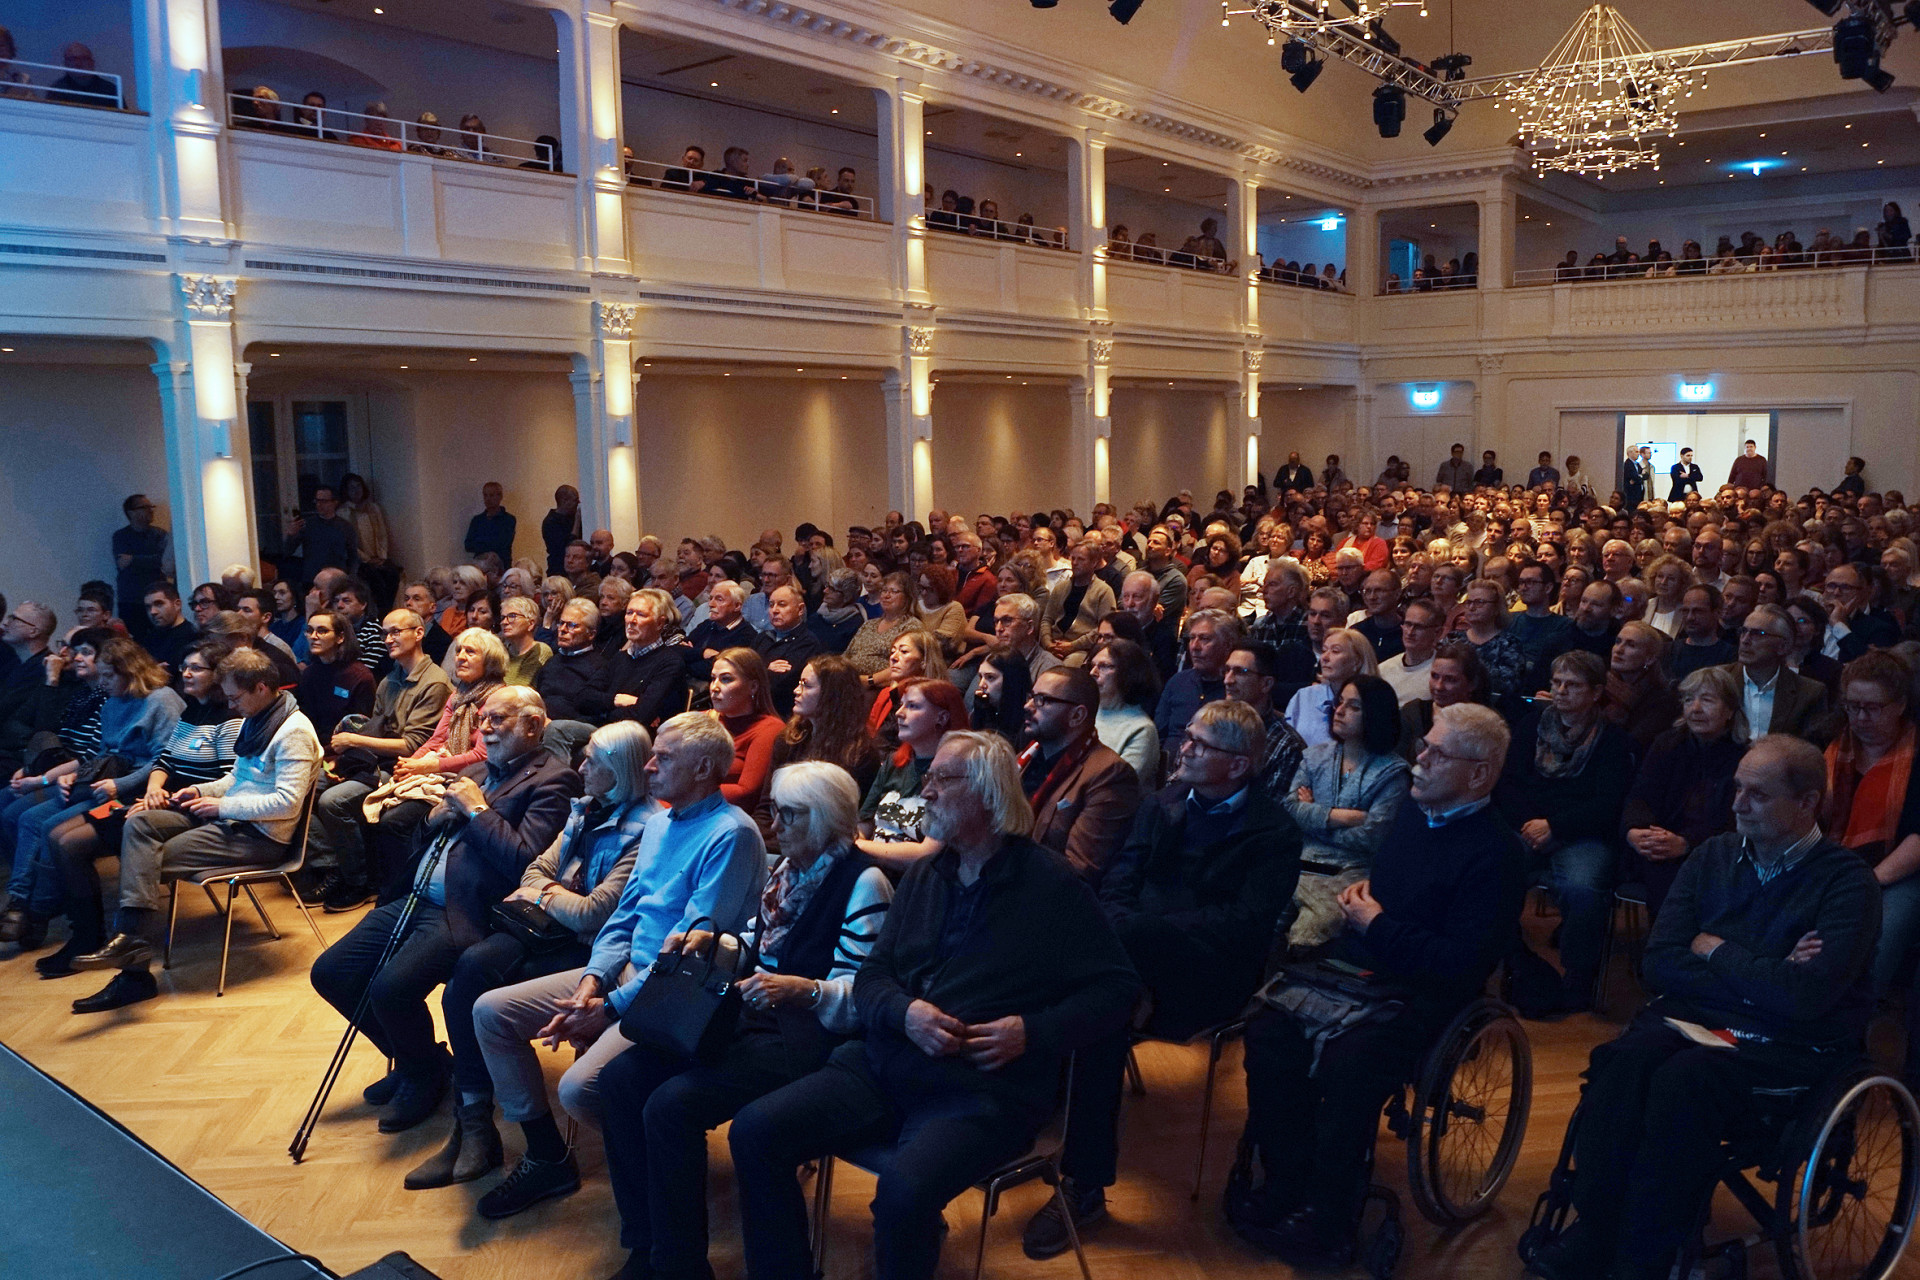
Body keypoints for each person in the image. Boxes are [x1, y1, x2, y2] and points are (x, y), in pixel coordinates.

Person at [728, 729, 1140, 1280]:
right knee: (755, 1130)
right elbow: (873, 975)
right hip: (885, 1063)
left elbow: (1118, 993)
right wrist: (904, 1012)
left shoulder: (1051, 885)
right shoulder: (928, 872)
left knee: (901, 1195)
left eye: (942, 779)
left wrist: (1034, 1031)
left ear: (988, 793)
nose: (925, 791)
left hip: (980, 1091)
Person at [1528, 736, 1878, 1280]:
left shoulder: (1846, 882)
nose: (1737, 804)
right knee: (1621, 1063)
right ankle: (1598, 1227)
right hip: (1697, 1021)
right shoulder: (1714, 854)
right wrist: (1770, 967)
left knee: (1684, 1080)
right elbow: (1660, 962)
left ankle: (1644, 1254)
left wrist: (1716, 949)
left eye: (1757, 795)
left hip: (1785, 1046)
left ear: (1808, 802)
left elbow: (1806, 997)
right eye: (1737, 787)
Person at [1229, 704, 1521, 1267]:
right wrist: (1364, 914)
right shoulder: (1414, 817)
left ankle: (1331, 1213)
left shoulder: (1499, 854)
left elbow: (1461, 963)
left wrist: (1377, 924)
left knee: (1349, 1062)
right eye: (1424, 746)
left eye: (1437, 753)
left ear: (1480, 773)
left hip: (1424, 993)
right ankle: (1287, 1179)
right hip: (1360, 968)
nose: (1420, 760)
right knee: (1269, 1032)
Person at [596, 760, 891, 1278]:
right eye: (775, 811)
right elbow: (758, 940)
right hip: (753, 1017)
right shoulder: (790, 869)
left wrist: (804, 990)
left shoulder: (864, 883)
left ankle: (678, 1263)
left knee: (671, 1105)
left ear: (824, 820)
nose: (776, 825)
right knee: (620, 1079)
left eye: (790, 815)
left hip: (805, 1037)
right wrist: (716, 940)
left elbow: (861, 996)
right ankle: (649, 1245)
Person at [1025, 699, 1298, 1254]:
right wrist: (1129, 929)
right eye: (1187, 737)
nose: (1184, 748)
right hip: (1132, 964)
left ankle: (1069, 1171)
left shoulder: (1274, 832)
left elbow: (1241, 927)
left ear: (1239, 764)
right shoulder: (1164, 802)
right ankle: (1079, 1176)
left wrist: (1139, 929)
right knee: (1100, 1013)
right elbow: (1119, 879)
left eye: (1200, 743)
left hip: (1211, 975)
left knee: (1087, 990)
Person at [469, 711, 763, 1218]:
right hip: (625, 977)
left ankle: (665, 1162)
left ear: (703, 769)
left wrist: (610, 1008)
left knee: (581, 1090)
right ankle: (547, 1155)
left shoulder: (730, 835)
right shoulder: (660, 825)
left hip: (676, 994)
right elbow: (624, 919)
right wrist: (591, 981)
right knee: (490, 1012)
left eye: (664, 757)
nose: (648, 767)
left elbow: (690, 954)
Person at [310, 686, 583, 1134]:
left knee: (390, 990)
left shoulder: (553, 780)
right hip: (415, 896)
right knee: (332, 972)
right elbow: (430, 841)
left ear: (532, 725)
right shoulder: (479, 768)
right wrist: (432, 820)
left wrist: (475, 810)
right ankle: (428, 1060)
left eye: (498, 720)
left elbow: (524, 862)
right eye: (483, 720)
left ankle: (419, 1076)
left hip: (465, 909)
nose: (485, 729)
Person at [403, 721, 654, 1191]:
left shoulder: (644, 829)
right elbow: (537, 868)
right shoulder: (586, 807)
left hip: (590, 951)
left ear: (618, 769)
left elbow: (593, 913)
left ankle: (499, 1130)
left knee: (473, 979)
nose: (581, 767)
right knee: (465, 979)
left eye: (592, 761)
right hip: (547, 933)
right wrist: (554, 891)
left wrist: (547, 893)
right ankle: (474, 1116)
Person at [67, 648, 317, 1010]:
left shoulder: (293, 730)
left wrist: (221, 805)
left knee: (145, 861)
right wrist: (202, 790)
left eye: (235, 697)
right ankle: (130, 945)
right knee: (138, 824)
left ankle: (133, 971)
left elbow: (287, 803)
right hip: (233, 820)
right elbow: (238, 778)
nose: (231, 705)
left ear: (262, 687)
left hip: (260, 838)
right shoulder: (259, 717)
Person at [43, 639, 240, 975]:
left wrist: (173, 795)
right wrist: (152, 788)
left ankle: (103, 938)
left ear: (218, 675)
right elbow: (166, 758)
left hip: (193, 806)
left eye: (196, 668)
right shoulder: (193, 709)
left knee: (71, 843)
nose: (186, 673)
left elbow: (228, 777)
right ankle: (87, 935)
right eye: (185, 667)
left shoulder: (230, 716)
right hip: (159, 798)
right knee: (58, 836)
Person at [0, 635, 185, 954]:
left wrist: (119, 786)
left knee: (51, 829)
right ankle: (21, 902)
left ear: (130, 671)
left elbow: (166, 759)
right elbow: (103, 752)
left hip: (134, 792)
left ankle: (37, 911)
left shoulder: (161, 700)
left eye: (110, 676)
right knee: (29, 818)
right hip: (104, 782)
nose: (103, 682)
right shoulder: (112, 702)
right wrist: (74, 774)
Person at [1496, 650, 1635, 1012]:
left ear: (1596, 692)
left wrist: (1555, 826)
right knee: (1492, 868)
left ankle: (1579, 976)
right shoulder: (1531, 726)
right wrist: (1530, 824)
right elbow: (1508, 784)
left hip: (1582, 834)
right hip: (1529, 827)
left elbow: (1609, 803)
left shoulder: (1613, 740)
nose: (1560, 691)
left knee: (1583, 889)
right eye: (1556, 683)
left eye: (1572, 685)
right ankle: (1505, 958)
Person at [304, 610, 454, 911]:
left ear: (419, 633)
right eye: (385, 633)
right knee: (304, 787)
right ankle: (333, 866)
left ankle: (358, 882)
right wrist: (346, 759)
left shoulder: (433, 683)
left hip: (407, 769)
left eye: (396, 632)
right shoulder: (390, 680)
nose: (388, 639)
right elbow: (376, 726)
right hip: (374, 763)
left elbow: (412, 746)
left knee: (333, 801)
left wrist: (354, 741)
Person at [1281, 674, 1411, 948]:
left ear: (1375, 715)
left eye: (1354, 706)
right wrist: (1343, 817)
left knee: (1313, 929)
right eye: (1340, 703)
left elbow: (1373, 837)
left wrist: (1314, 817)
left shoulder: (1393, 773)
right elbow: (1290, 810)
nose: (1339, 711)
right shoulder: (1314, 756)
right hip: (1297, 861)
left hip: (1350, 872)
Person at [1820, 651, 1920, 999]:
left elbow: (1918, 838)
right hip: (1827, 859)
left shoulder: (1916, 752)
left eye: (1872, 708)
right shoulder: (1828, 742)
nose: (1860, 718)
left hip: (1895, 871)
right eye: (1852, 706)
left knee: (1882, 927)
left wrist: (1867, 881)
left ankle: (1853, 1021)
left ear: (1900, 705)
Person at [1620, 666, 1746, 920]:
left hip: (1713, 853)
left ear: (1730, 710)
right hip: (1658, 845)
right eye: (1689, 700)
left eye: (1707, 700)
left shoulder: (1743, 757)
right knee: (1662, 870)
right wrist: (1636, 830)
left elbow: (1735, 822)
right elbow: (1640, 796)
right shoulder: (1666, 744)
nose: (1695, 708)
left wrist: (1687, 843)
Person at [1018, 666, 1140, 886]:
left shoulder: (1110, 774)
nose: (1027, 707)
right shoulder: (1023, 760)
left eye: (1042, 700)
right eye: (1031, 697)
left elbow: (1079, 869)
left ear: (1077, 715)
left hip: (1045, 897)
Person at [1725, 602, 1830, 739]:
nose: (1745, 640)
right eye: (1743, 631)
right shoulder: (1718, 681)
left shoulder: (1809, 693)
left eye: (1758, 634)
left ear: (1783, 646)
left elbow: (1810, 749)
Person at [706, 647, 784, 814]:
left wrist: (686, 792)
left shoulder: (769, 728)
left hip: (726, 816)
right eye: (713, 679)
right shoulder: (702, 719)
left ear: (753, 687)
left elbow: (746, 793)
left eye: (726, 679)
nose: (714, 687)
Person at [1156, 608, 1238, 757]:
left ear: (1227, 645)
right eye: (1192, 638)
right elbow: (1158, 735)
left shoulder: (1235, 688)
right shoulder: (1178, 682)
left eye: (1205, 639)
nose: (1194, 646)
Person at [1284, 626, 1374, 748]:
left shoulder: (1371, 701)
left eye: (1335, 651)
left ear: (1357, 661)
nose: (1324, 658)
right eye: (1324, 650)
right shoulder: (1304, 696)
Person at [294, 610, 374, 744]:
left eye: (322, 631)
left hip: (345, 748)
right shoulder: (309, 673)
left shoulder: (360, 677)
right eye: (309, 630)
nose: (313, 636)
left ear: (340, 637)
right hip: (309, 743)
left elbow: (362, 728)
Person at [1089, 638, 1161, 785]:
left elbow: (1121, 787)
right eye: (1092, 665)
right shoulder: (1085, 713)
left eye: (1104, 666)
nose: (1093, 672)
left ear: (1128, 673)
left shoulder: (1141, 729)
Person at [751, 584, 821, 718]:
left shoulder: (807, 643)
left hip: (782, 714)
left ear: (800, 609)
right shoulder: (762, 637)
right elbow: (741, 669)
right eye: (771, 605)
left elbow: (780, 683)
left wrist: (756, 671)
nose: (774, 610)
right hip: (754, 707)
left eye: (782, 605)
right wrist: (767, 669)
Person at [1041, 539, 1116, 656]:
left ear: (1094, 563)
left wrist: (1073, 646)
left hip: (1082, 648)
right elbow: (1047, 618)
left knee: (1066, 668)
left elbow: (1103, 628)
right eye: (1073, 558)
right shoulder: (1061, 587)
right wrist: (1048, 643)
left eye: (1081, 559)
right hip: (1053, 644)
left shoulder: (1104, 591)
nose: (1075, 563)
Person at [112, 494, 172, 638]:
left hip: (158, 598)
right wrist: (150, 560)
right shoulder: (121, 536)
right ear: (131, 512)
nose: (151, 510)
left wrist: (133, 559)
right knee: (134, 641)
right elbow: (122, 563)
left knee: (161, 637)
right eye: (145, 507)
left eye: (151, 507)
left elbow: (164, 561)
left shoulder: (160, 534)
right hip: (131, 601)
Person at [282, 486, 359, 585]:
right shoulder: (307, 524)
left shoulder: (345, 527)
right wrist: (290, 535)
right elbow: (287, 552)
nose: (319, 504)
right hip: (311, 579)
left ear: (335, 502)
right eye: (317, 501)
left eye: (324, 501)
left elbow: (353, 556)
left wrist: (351, 577)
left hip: (337, 580)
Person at [1378, 598, 1443, 707]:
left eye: (1418, 627)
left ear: (1437, 633)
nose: (1410, 632)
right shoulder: (1382, 670)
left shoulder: (1441, 674)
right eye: (1407, 624)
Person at [1667, 584, 1737, 681]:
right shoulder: (1668, 651)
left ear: (1717, 613)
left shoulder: (1730, 656)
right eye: (1686, 611)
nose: (1690, 617)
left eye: (1698, 611)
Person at [139, 581, 197, 675]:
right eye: (148, 607)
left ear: (177, 604)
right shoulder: (150, 638)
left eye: (159, 604)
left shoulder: (192, 636)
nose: (152, 611)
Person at [498, 595, 551, 687]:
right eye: (503, 617)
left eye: (512, 616)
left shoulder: (540, 650)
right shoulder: (500, 650)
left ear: (531, 623)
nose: (504, 622)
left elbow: (519, 688)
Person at [46, 42, 116, 107]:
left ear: (92, 62)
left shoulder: (110, 90)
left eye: (83, 58)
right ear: (66, 63)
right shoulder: (57, 90)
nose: (78, 63)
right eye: (73, 59)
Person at [465, 482, 517, 566]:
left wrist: (481, 542)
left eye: (491, 495)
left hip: (501, 567)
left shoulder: (508, 520)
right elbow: (468, 545)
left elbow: (502, 544)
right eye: (485, 495)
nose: (488, 499)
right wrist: (490, 543)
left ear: (500, 496)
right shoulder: (477, 520)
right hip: (480, 566)